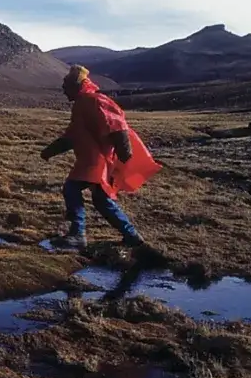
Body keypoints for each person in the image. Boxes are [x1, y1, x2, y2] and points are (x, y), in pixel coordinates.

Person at [40, 64, 161, 249]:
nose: (64, 92)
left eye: (66, 88)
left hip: (98, 162)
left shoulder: (94, 101)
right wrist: (50, 151)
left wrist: (123, 156)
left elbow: (118, 127)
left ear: (76, 86)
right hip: (91, 161)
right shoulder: (83, 104)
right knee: (100, 200)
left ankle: (79, 234)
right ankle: (132, 238)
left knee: (74, 190)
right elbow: (72, 137)